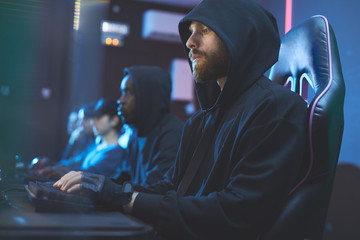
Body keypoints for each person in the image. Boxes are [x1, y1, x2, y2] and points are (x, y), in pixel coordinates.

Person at [54, 0, 308, 239]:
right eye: (190, 31)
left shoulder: (276, 107)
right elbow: (173, 188)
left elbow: (236, 213)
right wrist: (106, 189)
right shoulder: (201, 122)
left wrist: (123, 199)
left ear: (239, 37)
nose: (189, 42)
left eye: (204, 30)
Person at [117, 66, 184, 186]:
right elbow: (124, 178)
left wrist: (115, 192)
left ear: (148, 96)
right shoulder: (136, 132)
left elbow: (154, 189)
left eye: (128, 93)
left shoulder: (173, 133)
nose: (120, 101)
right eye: (122, 93)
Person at [40, 98, 127, 178]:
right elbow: (76, 162)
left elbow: (92, 174)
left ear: (114, 121)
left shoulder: (116, 152)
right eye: (93, 118)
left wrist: (64, 171)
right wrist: (52, 165)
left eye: (99, 118)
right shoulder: (96, 146)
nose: (93, 123)